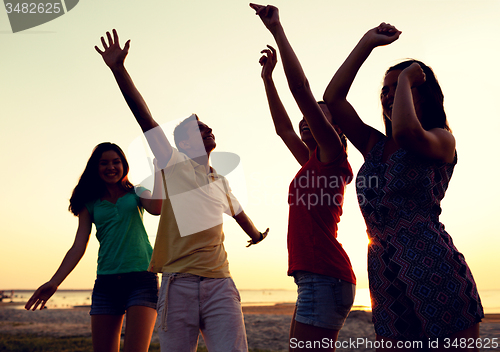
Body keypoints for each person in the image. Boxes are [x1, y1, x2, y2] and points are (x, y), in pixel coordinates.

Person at [95, 29, 269, 352]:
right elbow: (143, 116)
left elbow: (240, 214)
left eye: (208, 127)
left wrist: (257, 235)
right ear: (183, 143)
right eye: (200, 129)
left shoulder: (220, 180)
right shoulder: (174, 164)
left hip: (220, 282)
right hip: (178, 285)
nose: (209, 130)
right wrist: (119, 70)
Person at [323, 23, 483, 350]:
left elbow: (408, 133)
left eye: (399, 88)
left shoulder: (441, 139)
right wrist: (367, 42)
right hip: (384, 273)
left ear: (423, 94)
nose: (390, 94)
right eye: (385, 89)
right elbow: (333, 98)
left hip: (433, 266)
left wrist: (409, 78)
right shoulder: (375, 146)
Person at [251, 4, 356, 351]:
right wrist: (267, 80)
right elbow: (282, 128)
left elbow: (301, 90)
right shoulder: (312, 162)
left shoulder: (332, 155)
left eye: (317, 117)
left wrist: (277, 30)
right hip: (314, 278)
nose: (305, 120)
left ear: (334, 129)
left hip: (324, 276)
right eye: (306, 119)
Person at [25, 142, 163, 352]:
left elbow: (157, 208)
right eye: (104, 163)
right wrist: (54, 282)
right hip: (106, 283)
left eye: (116, 162)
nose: (111, 167)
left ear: (124, 165)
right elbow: (79, 245)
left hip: (142, 280)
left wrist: (159, 171)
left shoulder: (137, 192)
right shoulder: (90, 202)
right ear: (95, 168)